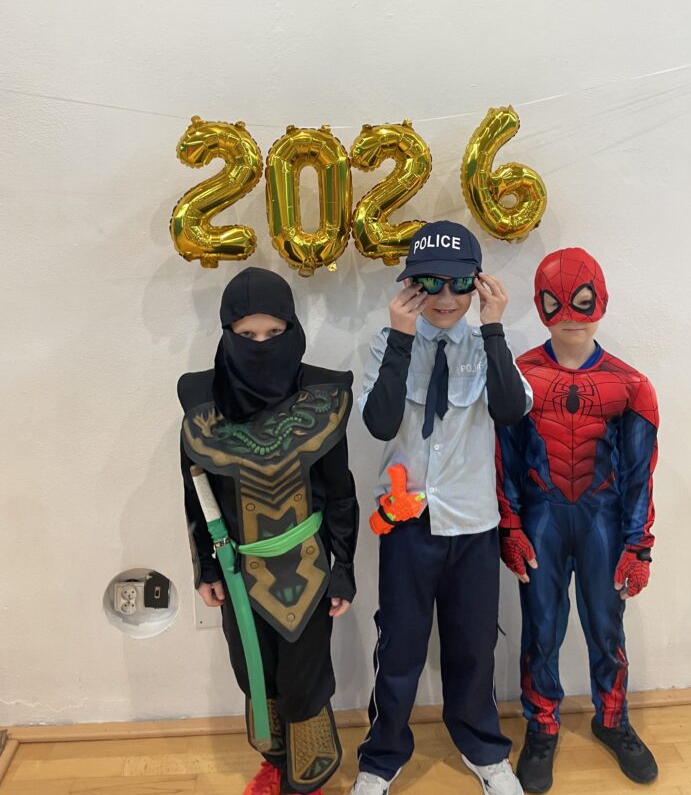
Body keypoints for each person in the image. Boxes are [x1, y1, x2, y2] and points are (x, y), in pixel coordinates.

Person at [349, 221, 533, 795]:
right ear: (411, 285)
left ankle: (483, 750)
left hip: (473, 525)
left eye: (458, 284)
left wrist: (494, 327)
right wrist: (402, 338)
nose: (446, 298)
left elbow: (510, 410)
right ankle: (381, 759)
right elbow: (380, 423)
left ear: (477, 285)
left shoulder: (486, 346)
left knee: (474, 645)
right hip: (407, 525)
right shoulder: (386, 344)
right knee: (398, 645)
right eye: (430, 283)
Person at [178, 267, 359, 795]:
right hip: (238, 570)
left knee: (305, 678)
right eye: (247, 334)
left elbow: (340, 492)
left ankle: (307, 780)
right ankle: (276, 764)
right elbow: (196, 492)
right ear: (227, 334)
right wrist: (206, 566)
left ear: (292, 330)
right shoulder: (202, 402)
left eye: (273, 333)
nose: (261, 345)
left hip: (308, 568)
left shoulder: (323, 398)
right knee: (254, 673)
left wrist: (344, 568)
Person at [496, 248, 659, 794]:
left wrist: (638, 544)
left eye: (583, 301)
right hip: (541, 518)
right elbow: (503, 457)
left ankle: (612, 718)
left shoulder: (631, 385)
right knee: (541, 628)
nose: (570, 314)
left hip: (602, 520)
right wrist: (510, 525)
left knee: (606, 626)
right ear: (540, 305)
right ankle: (542, 725)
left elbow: (640, 472)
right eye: (555, 302)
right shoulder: (518, 377)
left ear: (601, 301)